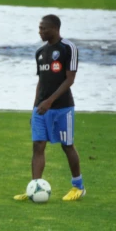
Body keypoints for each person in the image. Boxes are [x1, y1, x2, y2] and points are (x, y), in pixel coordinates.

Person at [14, 15, 84, 201]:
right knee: (38, 146)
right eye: (39, 28)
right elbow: (41, 82)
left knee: (67, 146)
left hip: (62, 108)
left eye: (43, 28)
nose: (40, 31)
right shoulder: (40, 52)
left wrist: (50, 101)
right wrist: (35, 107)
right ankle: (34, 187)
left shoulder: (68, 48)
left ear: (54, 28)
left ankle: (78, 186)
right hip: (41, 108)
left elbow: (70, 79)